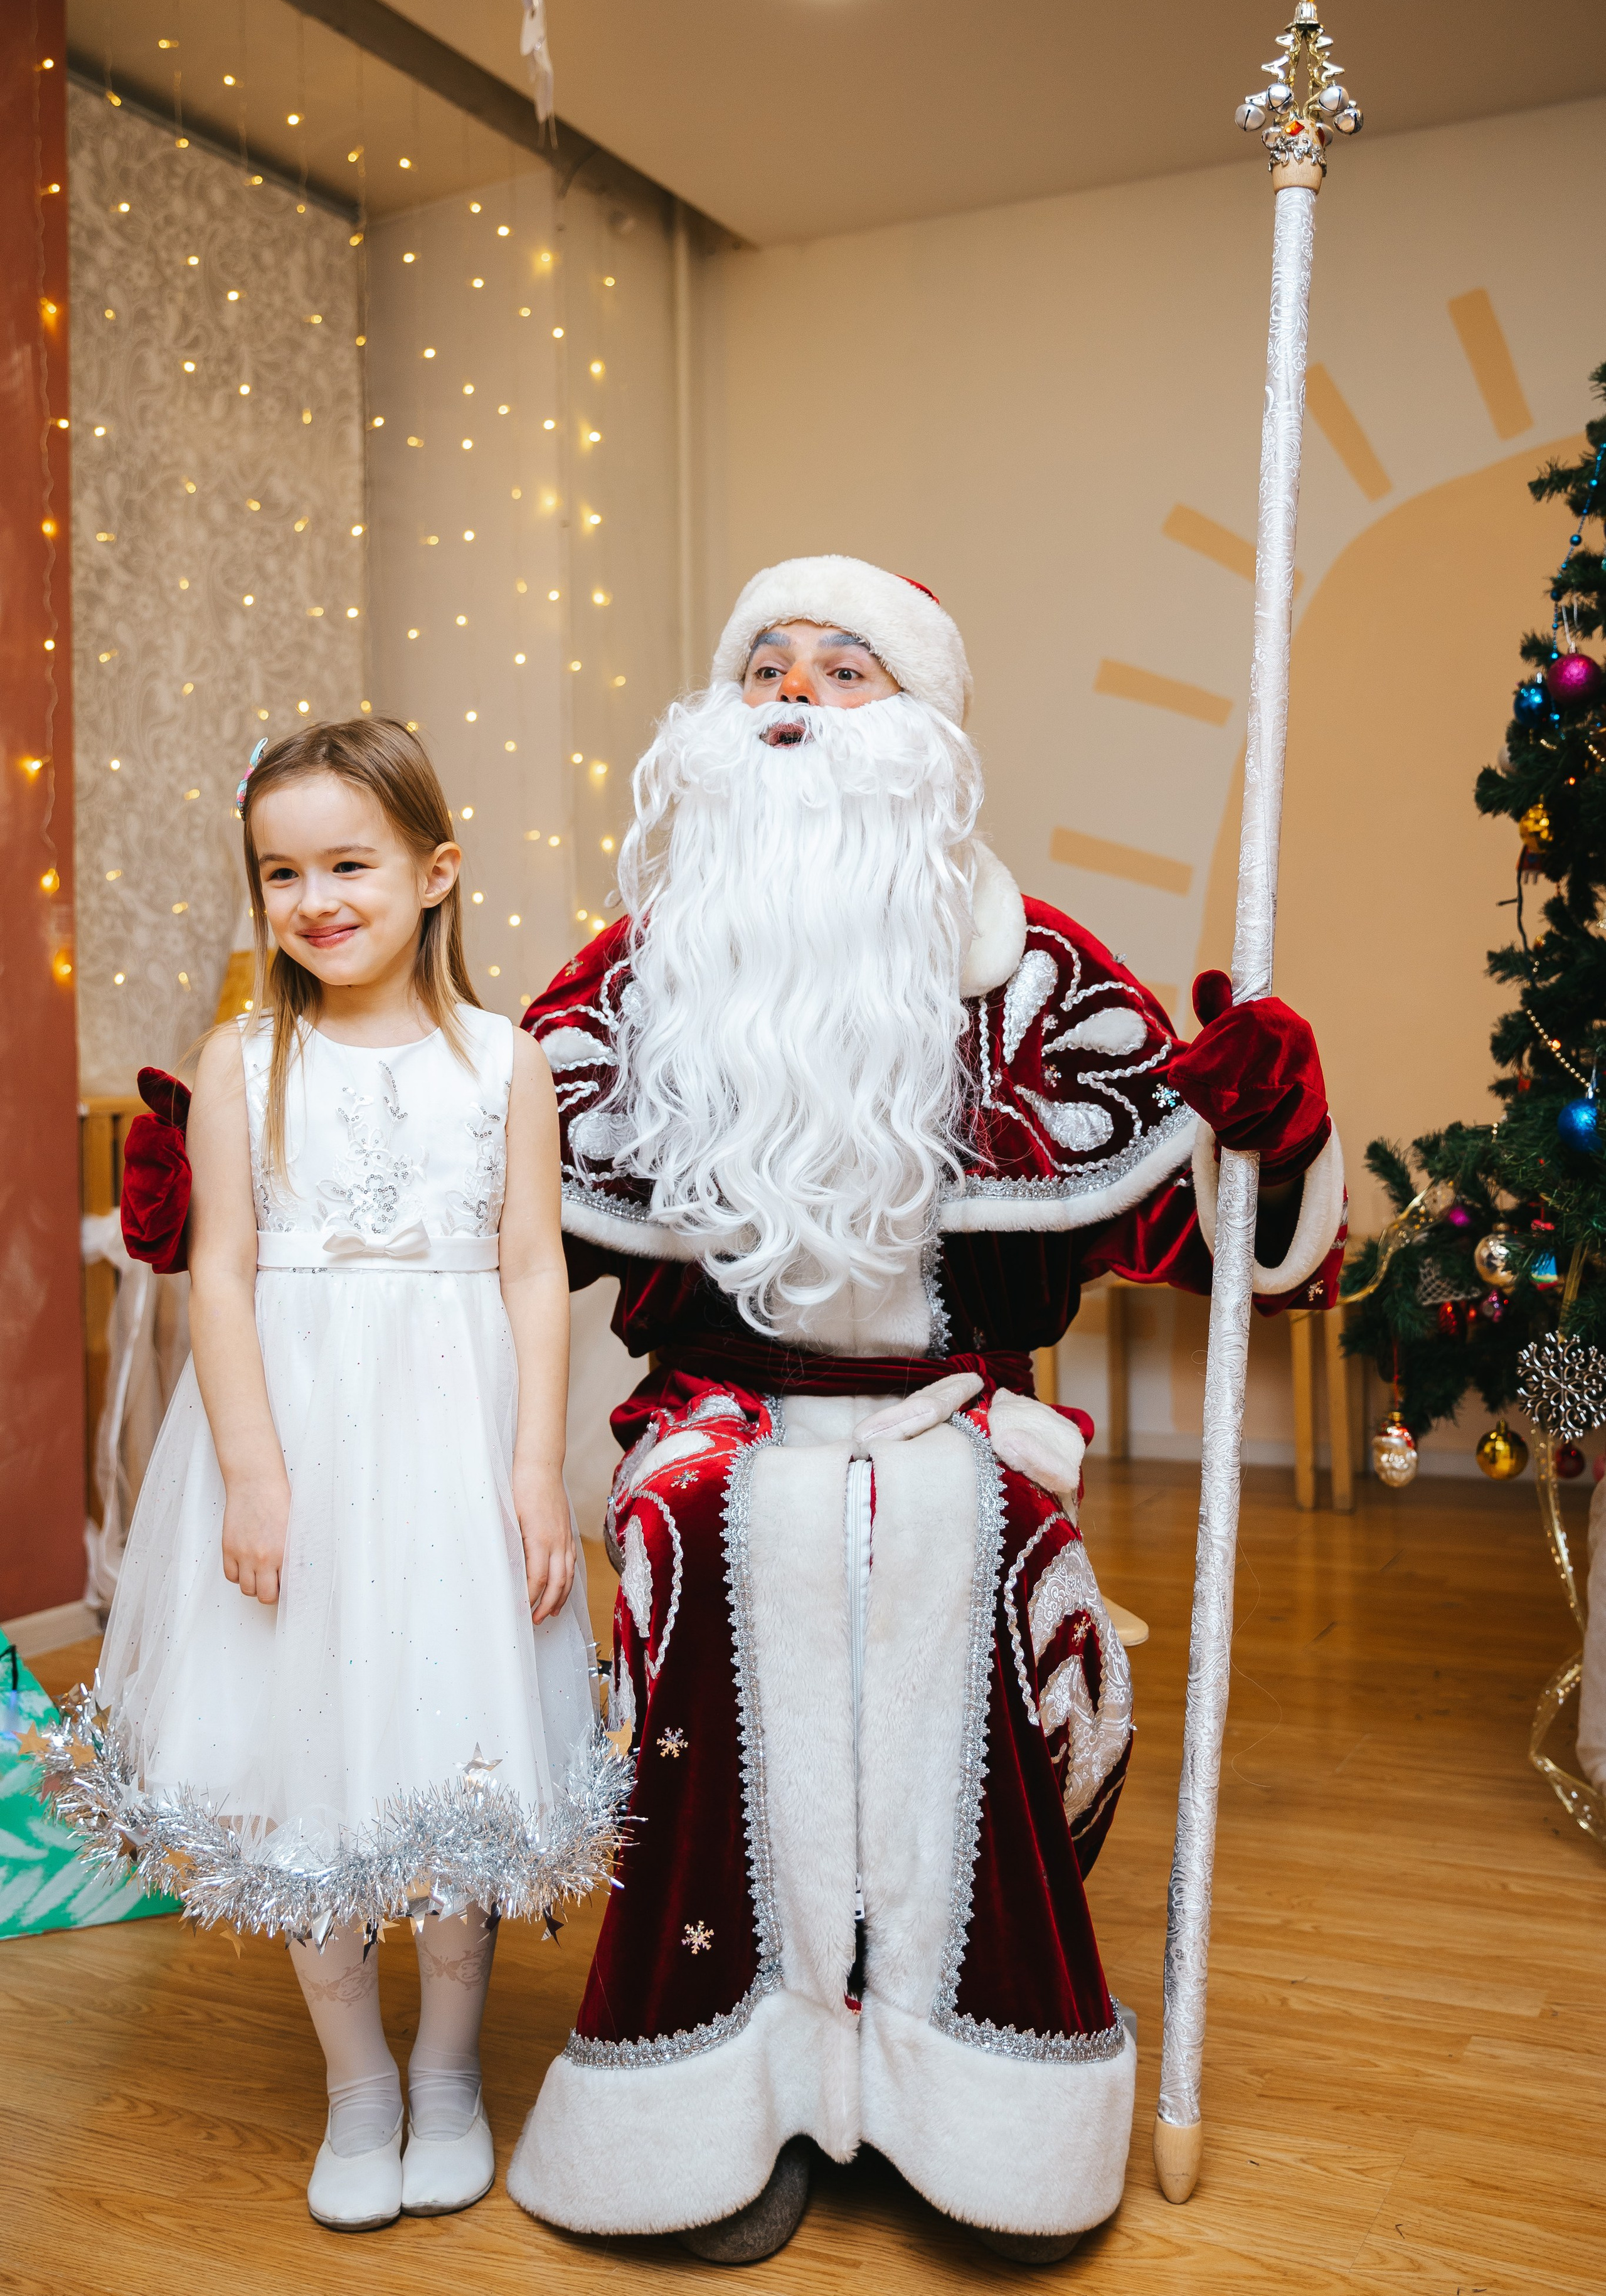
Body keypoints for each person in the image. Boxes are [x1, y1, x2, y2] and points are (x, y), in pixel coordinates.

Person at [507, 556, 1344, 2261]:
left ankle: (972, 2113)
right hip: (719, 1432)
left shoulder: (1029, 970)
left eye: (845, 671)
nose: (796, 699)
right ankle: (721, 2112)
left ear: (927, 727)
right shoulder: (639, 968)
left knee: (970, 1570)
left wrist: (1271, 1120)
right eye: (768, 668)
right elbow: (494, 1168)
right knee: (711, 1554)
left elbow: (1232, 1235)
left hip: (953, 1428)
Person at [64, 719, 614, 2234]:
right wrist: (251, 1472)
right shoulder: (248, 1060)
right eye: (280, 871)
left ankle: (445, 2071)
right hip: (298, 1437)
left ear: (435, 874)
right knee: (306, 1762)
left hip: (453, 1449)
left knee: (452, 1754)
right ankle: (357, 2081)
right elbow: (222, 1278)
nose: (315, 898)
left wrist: (530, 1472)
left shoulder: (503, 1061)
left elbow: (530, 1266)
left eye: (348, 864)